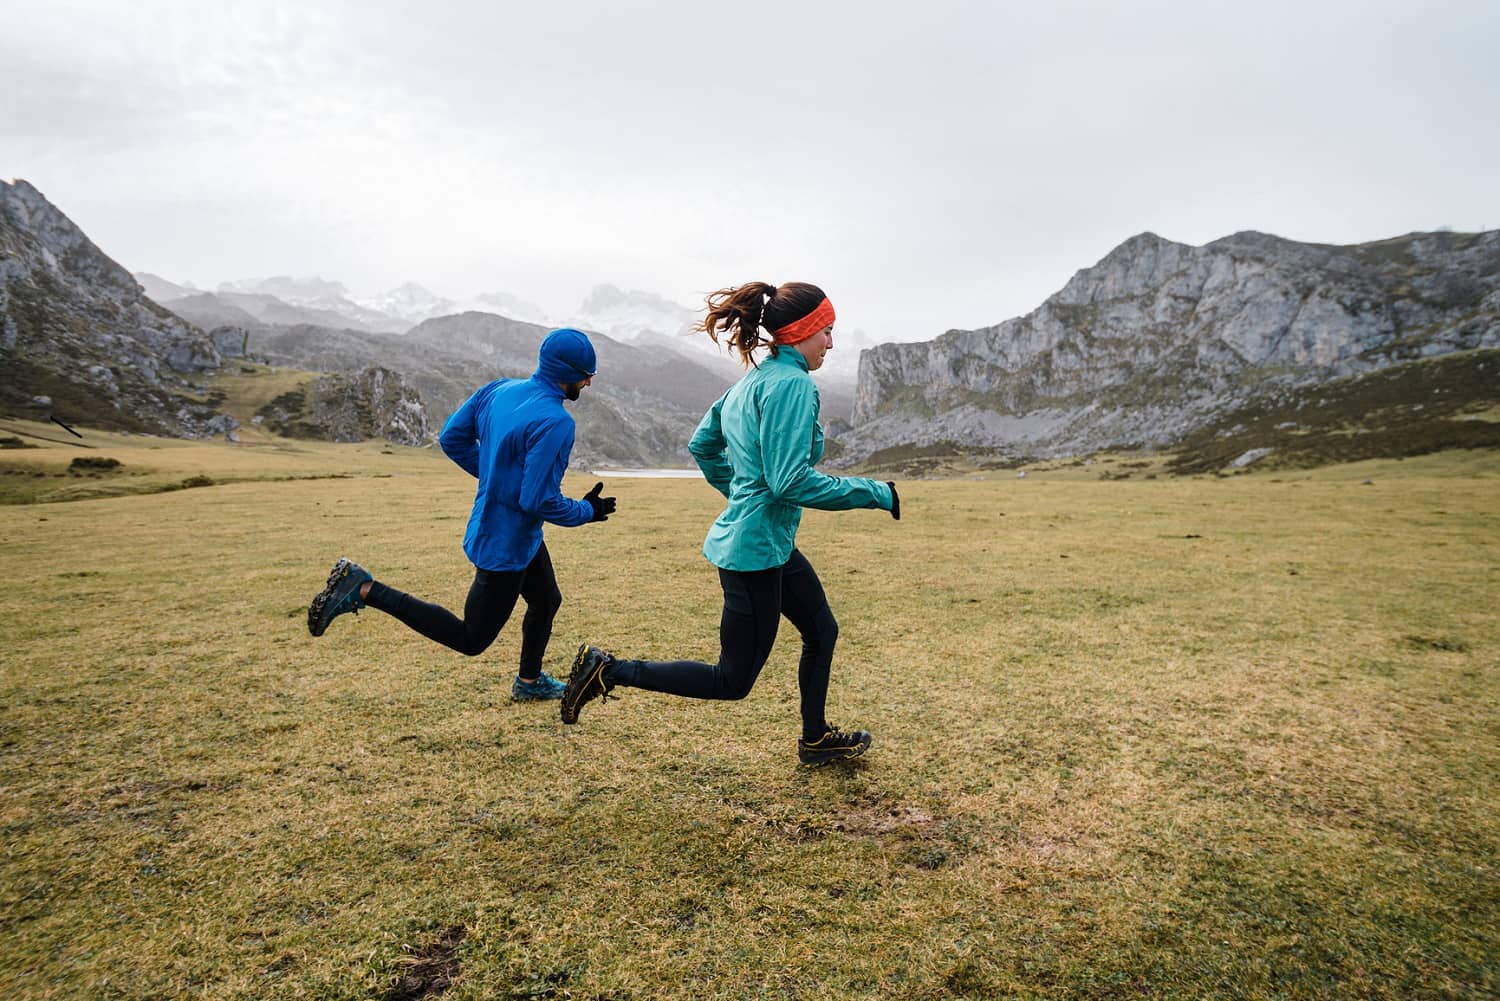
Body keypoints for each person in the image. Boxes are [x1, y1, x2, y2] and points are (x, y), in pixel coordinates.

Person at [559, 282, 900, 765]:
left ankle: (815, 739)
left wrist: (741, 493)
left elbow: (703, 444)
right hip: (754, 554)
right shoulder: (793, 385)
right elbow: (788, 482)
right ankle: (608, 670)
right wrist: (875, 492)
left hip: (769, 545)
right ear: (801, 333)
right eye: (826, 331)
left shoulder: (751, 382)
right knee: (731, 681)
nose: (831, 342)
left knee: (821, 630)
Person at [307, 327, 617, 701]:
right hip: (506, 544)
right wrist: (587, 510)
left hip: (513, 534)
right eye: (586, 375)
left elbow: (452, 439)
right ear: (567, 372)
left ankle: (529, 683)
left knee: (547, 600)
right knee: (471, 638)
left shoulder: (498, 389)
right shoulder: (556, 422)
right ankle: (364, 588)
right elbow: (537, 500)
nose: (588, 383)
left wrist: (497, 478)